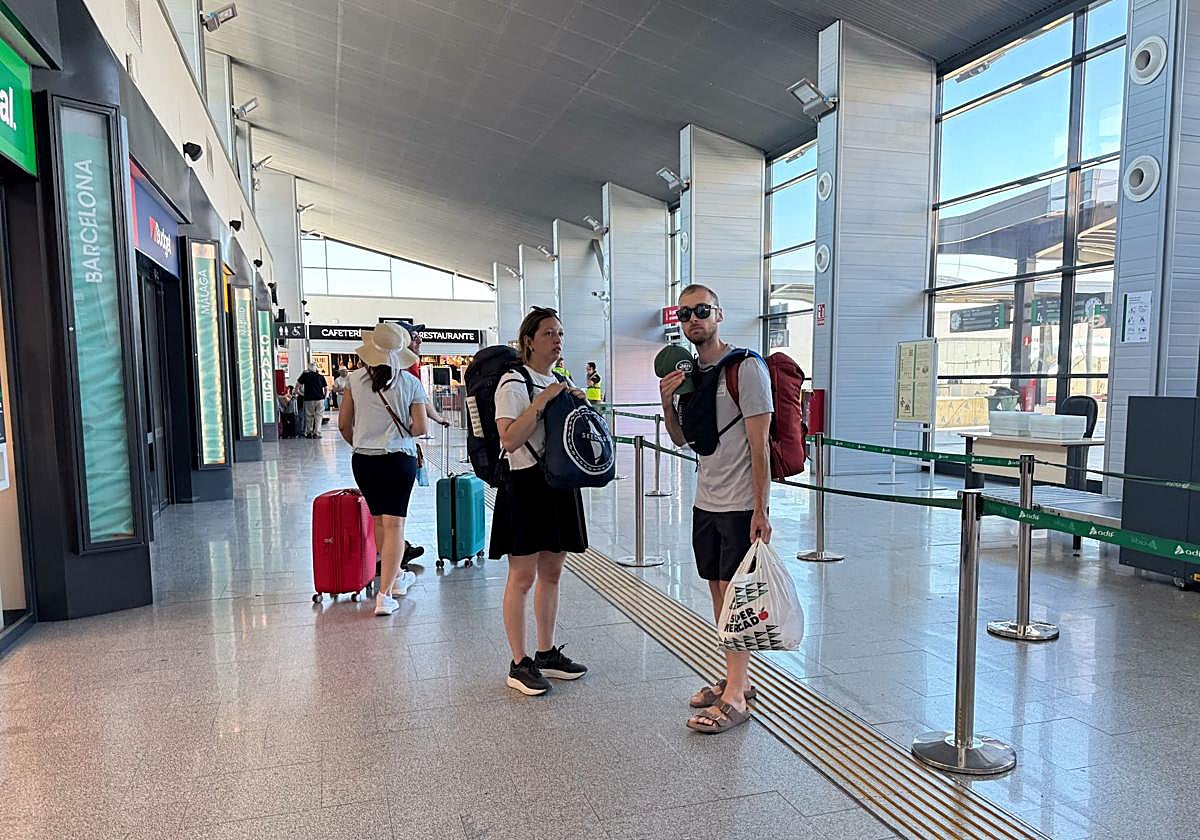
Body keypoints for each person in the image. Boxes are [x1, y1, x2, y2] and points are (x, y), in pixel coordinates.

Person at [659, 284, 773, 734]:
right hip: (705, 502)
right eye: (684, 314)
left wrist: (762, 510)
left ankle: (737, 698)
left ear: (719, 314)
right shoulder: (690, 375)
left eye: (701, 311)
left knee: (736, 603)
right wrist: (667, 401)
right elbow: (680, 439)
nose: (693, 321)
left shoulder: (745, 369)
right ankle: (735, 681)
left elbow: (760, 444)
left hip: (741, 504)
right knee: (719, 596)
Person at [490, 307, 589, 695]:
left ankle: (546, 652)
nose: (557, 340)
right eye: (549, 333)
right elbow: (509, 438)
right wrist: (545, 399)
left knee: (552, 573)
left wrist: (571, 401)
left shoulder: (558, 380)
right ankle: (519, 662)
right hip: (525, 484)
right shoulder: (513, 382)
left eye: (560, 333)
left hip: (558, 483)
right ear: (529, 340)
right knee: (522, 576)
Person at [337, 323, 427, 615]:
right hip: (398, 460)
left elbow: (343, 425)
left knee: (378, 521)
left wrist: (362, 442)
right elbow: (420, 428)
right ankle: (386, 595)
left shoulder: (354, 380)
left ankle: (394, 577)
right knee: (396, 524)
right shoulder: (410, 383)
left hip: (364, 460)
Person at [297, 363, 328, 438]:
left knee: (309, 416)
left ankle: (309, 433)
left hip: (308, 399)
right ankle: (317, 433)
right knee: (319, 416)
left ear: (308, 369)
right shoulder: (320, 377)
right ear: (315, 369)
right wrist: (324, 396)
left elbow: (296, 388)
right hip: (319, 399)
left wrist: (302, 394)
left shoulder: (304, 376)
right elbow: (326, 388)